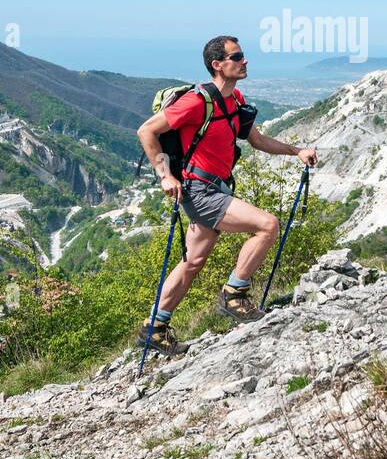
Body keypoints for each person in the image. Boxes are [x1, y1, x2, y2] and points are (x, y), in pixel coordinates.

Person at [135, 35, 317, 355]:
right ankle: (235, 294)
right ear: (218, 65)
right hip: (199, 189)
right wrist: (165, 175)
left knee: (193, 262)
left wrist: (296, 150)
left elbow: (258, 141)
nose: (245, 61)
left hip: (214, 187)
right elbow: (147, 130)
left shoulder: (234, 101)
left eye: (243, 56)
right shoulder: (197, 101)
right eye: (238, 56)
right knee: (267, 225)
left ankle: (156, 327)